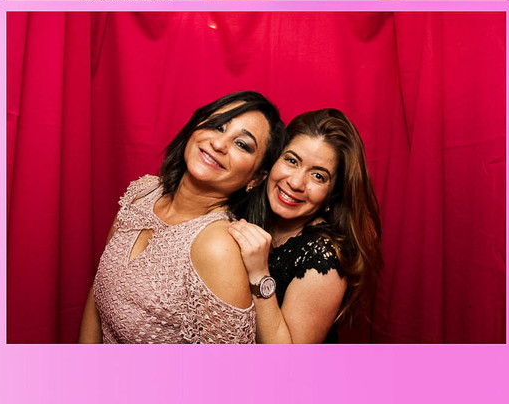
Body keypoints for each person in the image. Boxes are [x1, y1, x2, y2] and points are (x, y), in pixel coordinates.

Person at [79, 91, 287, 343]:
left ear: (255, 178)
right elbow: (98, 292)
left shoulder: (218, 246)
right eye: (218, 126)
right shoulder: (142, 193)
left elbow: (227, 365)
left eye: (242, 144)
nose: (219, 145)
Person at [227, 108, 383, 343]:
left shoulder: (324, 257)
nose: (296, 183)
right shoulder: (242, 206)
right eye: (292, 161)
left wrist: (259, 274)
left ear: (332, 195)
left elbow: (288, 360)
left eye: (318, 176)